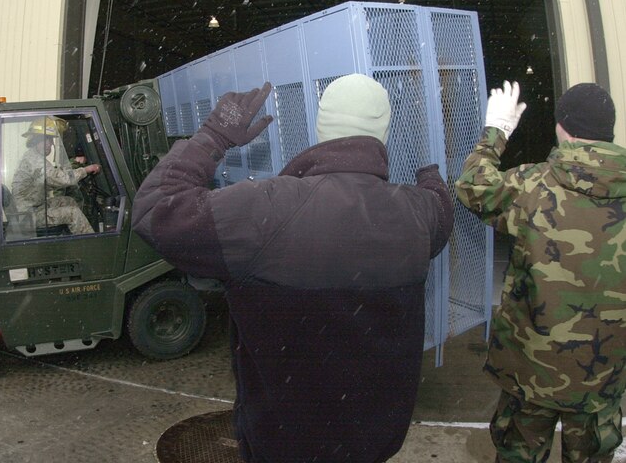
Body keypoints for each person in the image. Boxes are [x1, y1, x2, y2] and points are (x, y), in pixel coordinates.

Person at [132, 75, 453, 462]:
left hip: (283, 444)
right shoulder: (420, 213)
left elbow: (155, 210)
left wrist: (213, 136)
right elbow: (442, 208)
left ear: (320, 130)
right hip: (375, 440)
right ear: (383, 133)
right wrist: (430, 175)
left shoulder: (265, 210)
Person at [455, 81, 626, 462]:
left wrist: (495, 134)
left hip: (531, 373)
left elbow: (471, 188)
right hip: (603, 377)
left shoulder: (531, 184)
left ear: (562, 127)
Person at [11, 116, 100, 235]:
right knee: (73, 213)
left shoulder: (34, 157)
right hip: (29, 216)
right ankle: (91, 248)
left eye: (51, 140)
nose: (51, 144)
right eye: (48, 139)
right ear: (37, 140)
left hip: (35, 208)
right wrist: (87, 169)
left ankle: (71, 238)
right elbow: (60, 179)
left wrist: (73, 168)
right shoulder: (34, 160)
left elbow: (51, 178)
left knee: (68, 201)